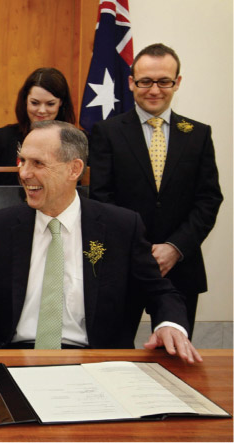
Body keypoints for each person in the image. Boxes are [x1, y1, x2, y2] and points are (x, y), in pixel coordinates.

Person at [0, 120, 202, 364]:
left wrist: (170, 325)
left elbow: (160, 292)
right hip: (13, 361)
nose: (24, 173)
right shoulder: (1, 227)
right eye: (22, 161)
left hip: (97, 362)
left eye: (38, 164)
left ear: (75, 169)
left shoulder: (120, 226)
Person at [89, 43, 223, 337]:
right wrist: (138, 249)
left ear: (177, 82)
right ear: (131, 82)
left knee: (176, 357)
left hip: (181, 268)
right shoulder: (107, 132)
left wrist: (174, 248)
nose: (154, 90)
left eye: (164, 81)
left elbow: (208, 199)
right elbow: (101, 199)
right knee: (114, 353)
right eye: (145, 81)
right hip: (122, 265)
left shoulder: (198, 134)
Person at [0, 67, 75, 185]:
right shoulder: (1, 138)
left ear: (61, 103)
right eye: (35, 103)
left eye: (50, 104)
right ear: (25, 100)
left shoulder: (75, 140)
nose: (42, 110)